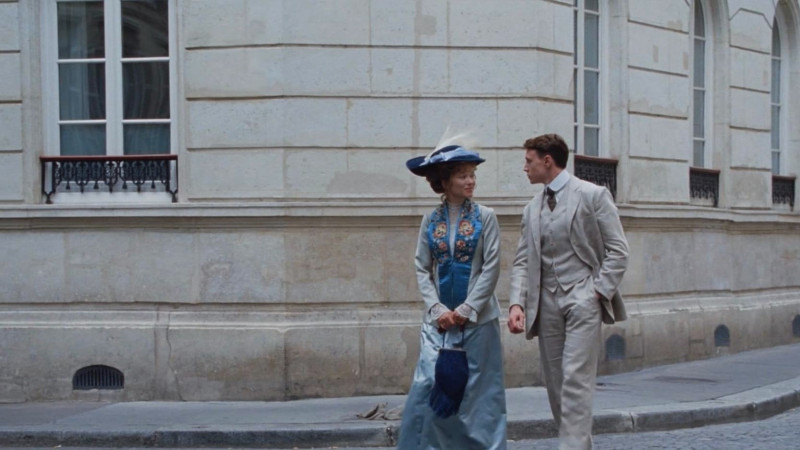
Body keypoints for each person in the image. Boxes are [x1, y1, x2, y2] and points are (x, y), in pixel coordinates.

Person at [507, 134, 629, 450]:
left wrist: (597, 291)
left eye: (529, 161)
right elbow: (522, 261)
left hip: (583, 296)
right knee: (556, 382)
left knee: (576, 378)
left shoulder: (592, 195)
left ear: (547, 161)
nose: (525, 168)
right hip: (545, 301)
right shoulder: (531, 209)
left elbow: (618, 250)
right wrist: (516, 303)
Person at [397, 143, 507, 449]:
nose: (470, 181)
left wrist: (468, 308)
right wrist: (436, 309)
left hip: (478, 322)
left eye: (472, 175)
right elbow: (422, 267)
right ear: (444, 182)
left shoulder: (486, 217)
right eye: (463, 176)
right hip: (438, 323)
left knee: (478, 393)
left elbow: (492, 266)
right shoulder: (430, 220)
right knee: (428, 383)